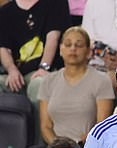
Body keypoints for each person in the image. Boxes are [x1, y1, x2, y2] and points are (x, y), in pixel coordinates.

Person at [0, 0, 71, 140]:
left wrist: (44, 67)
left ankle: (40, 147)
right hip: (16, 74)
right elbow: (3, 48)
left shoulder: (55, 3)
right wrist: (12, 69)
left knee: (39, 84)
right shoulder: (6, 11)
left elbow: (53, 37)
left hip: (47, 71)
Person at [39, 26, 114, 145]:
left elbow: (102, 125)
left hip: (88, 147)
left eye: (78, 45)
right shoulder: (48, 81)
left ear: (89, 52)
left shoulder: (102, 80)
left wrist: (80, 146)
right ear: (60, 49)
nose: (73, 49)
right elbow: (46, 126)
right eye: (68, 44)